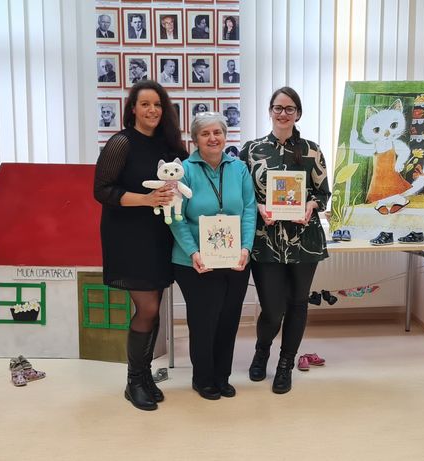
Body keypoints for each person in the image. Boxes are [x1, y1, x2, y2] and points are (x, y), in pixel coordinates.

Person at [94, 81, 187, 411]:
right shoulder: (121, 142)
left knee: (154, 305)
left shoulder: (169, 145)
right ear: (132, 108)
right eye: (145, 104)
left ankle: (145, 377)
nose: (152, 110)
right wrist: (146, 199)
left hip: (159, 235)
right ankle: (134, 381)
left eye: (157, 104)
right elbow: (102, 190)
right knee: (146, 308)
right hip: (128, 235)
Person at [239, 87, 330, 394]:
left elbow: (323, 193)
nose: (283, 113)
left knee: (298, 304)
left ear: (298, 114)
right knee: (272, 307)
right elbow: (242, 193)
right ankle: (262, 351)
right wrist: (258, 207)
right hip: (264, 240)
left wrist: (310, 206)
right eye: (278, 108)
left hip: (305, 240)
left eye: (290, 109)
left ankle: (285, 364)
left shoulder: (312, 150)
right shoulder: (251, 150)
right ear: (270, 111)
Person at [169, 112, 256, 400]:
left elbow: (249, 210)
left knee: (228, 320)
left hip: (235, 259)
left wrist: (245, 248)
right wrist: (192, 252)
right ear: (195, 139)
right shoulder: (183, 170)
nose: (212, 138)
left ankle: (222, 376)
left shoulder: (239, 169)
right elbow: (176, 216)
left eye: (217, 132)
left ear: (225, 136)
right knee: (204, 321)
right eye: (205, 133)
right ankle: (203, 378)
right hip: (194, 262)